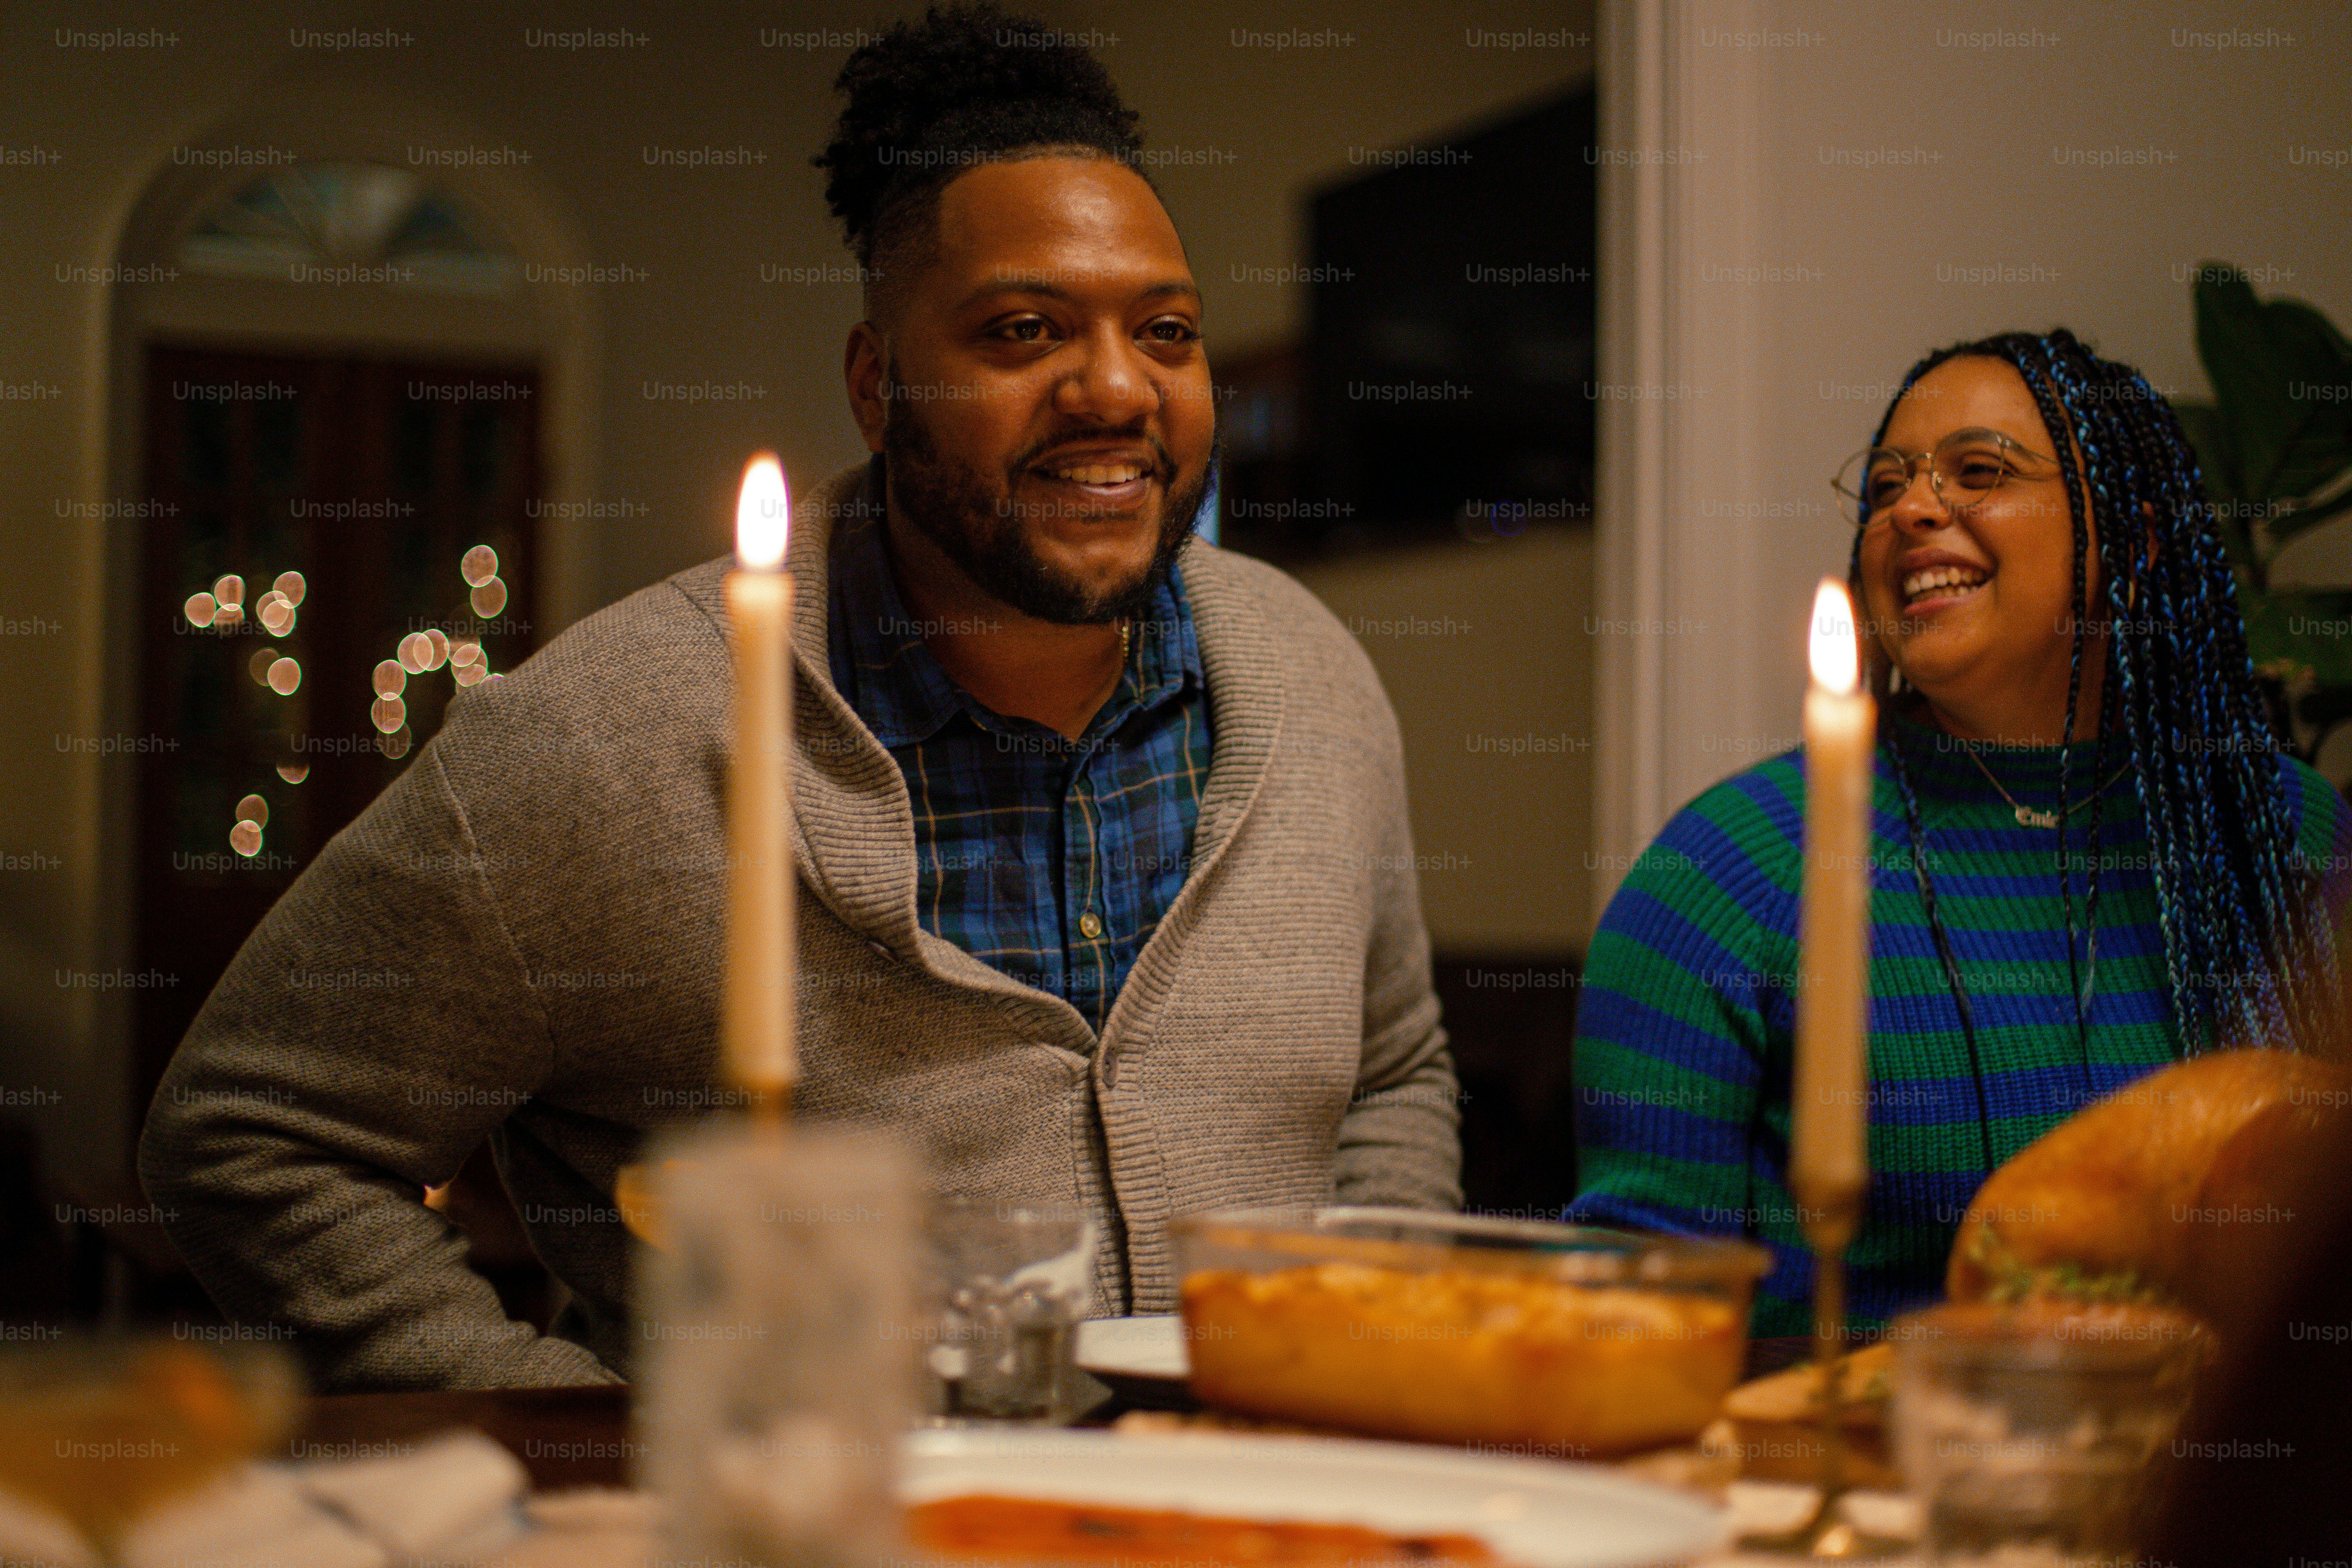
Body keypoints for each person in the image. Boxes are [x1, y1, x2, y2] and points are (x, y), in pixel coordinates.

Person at [138, 5, 1460, 1390]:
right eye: (1025, 330)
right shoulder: (609, 738)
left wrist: (1357, 1369)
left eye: (1168, 332)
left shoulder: (1315, 683)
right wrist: (579, 1432)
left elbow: (1394, 1077)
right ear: (879, 386)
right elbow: (250, 1134)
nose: (1118, 389)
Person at [1567, 328, 2350, 1336]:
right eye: (1886, 486)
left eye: (1980, 471)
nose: (1911, 509)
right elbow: (1633, 1315)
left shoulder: (2284, 833)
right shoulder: (1723, 876)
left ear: (2134, 541)